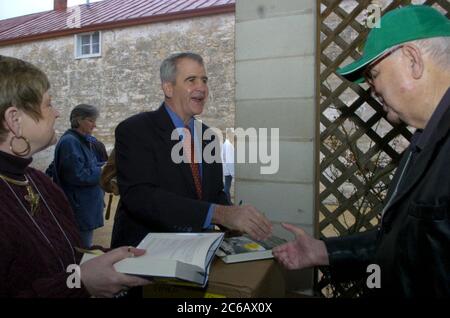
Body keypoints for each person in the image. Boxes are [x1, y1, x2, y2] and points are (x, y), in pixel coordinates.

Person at [274, 5, 450, 298]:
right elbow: (402, 243)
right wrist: (324, 251)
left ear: (412, 59)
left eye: (373, 74)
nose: (371, 88)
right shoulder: (421, 144)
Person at [0, 55, 149, 297]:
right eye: (48, 104)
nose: (57, 113)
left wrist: (107, 256)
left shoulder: (39, 182)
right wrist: (81, 282)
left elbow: (67, 254)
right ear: (14, 120)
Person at [111, 52, 272, 248]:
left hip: (199, 251)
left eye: (204, 80)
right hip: (145, 255)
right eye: (191, 80)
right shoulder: (135, 130)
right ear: (168, 88)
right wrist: (219, 214)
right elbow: (141, 197)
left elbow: (214, 194)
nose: (202, 88)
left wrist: (236, 220)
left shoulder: (209, 136)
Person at [53, 104, 104, 248]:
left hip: (85, 206)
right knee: (82, 249)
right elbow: (78, 176)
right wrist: (103, 170)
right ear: (79, 120)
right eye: (91, 121)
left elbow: (87, 166)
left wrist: (103, 165)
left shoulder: (80, 140)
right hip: (80, 207)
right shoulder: (70, 142)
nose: (94, 125)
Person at [221, 128, 235, 204]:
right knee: (226, 188)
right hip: (228, 171)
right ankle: (228, 203)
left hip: (227, 170)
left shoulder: (227, 143)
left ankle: (228, 202)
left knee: (226, 187)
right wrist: (233, 173)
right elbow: (230, 160)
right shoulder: (228, 145)